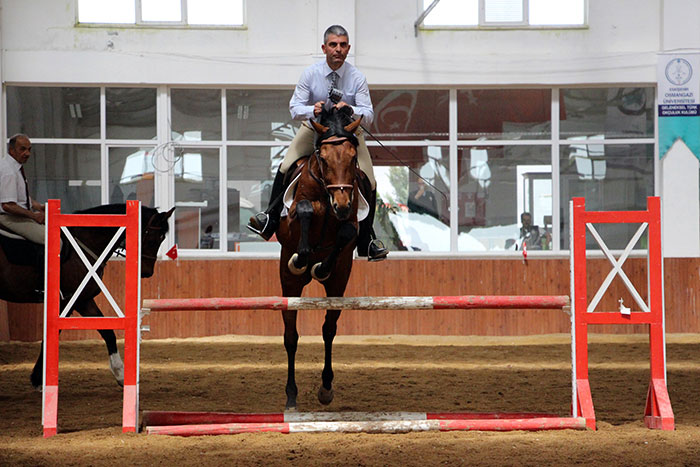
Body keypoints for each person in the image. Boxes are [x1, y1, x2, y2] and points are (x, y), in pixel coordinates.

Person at [247, 24, 388, 261]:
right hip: (314, 130)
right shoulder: (310, 74)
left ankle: (367, 239)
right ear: (324, 48)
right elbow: (294, 109)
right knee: (285, 165)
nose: (338, 49)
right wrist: (312, 109)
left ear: (348, 48)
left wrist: (351, 109)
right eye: (333, 45)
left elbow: (369, 115)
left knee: (370, 180)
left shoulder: (357, 77)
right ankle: (269, 218)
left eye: (343, 45)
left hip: (349, 134)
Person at [0, 134, 46, 244]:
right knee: (53, 240)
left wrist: (37, 206)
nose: (28, 154)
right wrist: (34, 216)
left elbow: (18, 197)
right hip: (10, 218)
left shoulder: (13, 167)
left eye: (29, 149)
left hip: (17, 216)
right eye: (23, 149)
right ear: (11, 150)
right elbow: (8, 206)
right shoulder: (9, 171)